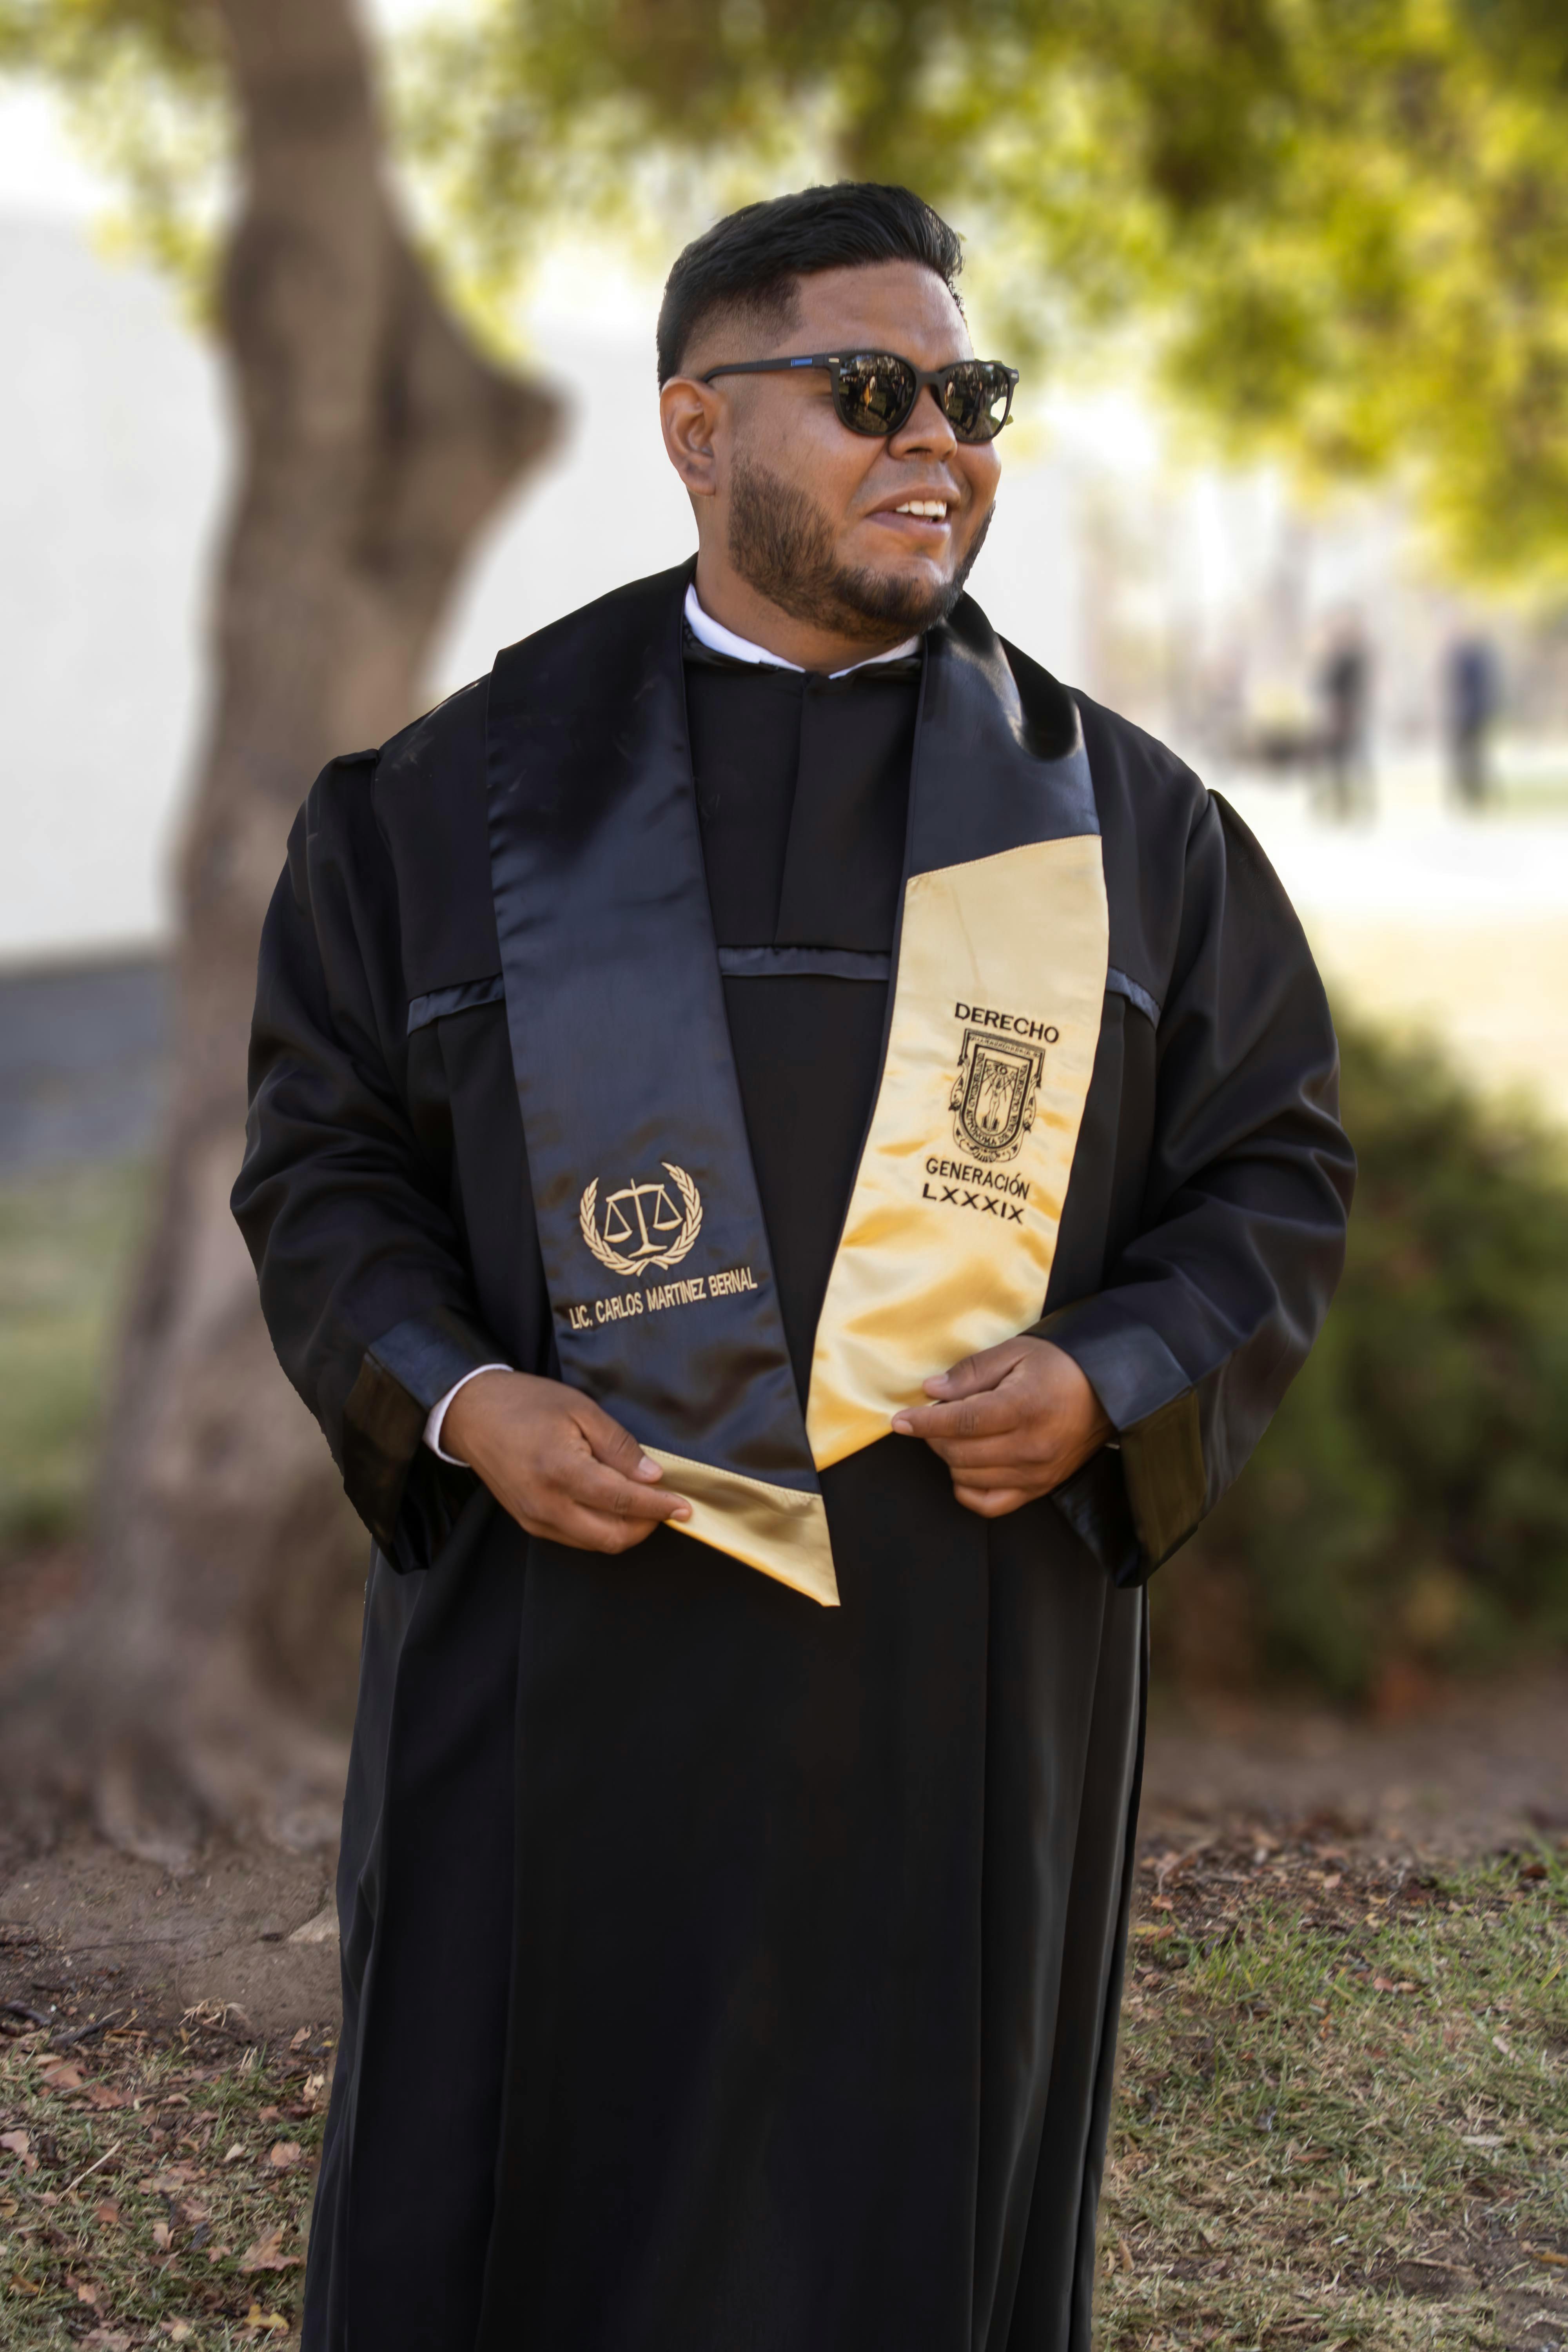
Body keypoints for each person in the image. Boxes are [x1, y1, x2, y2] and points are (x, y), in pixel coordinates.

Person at [234, 182, 1353, 2352]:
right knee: (525, 2198)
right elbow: (322, 1168)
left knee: (899, 2219)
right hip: (559, 1671)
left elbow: (1268, 1169)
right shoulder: (443, 810)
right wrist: (458, 1395)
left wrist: (1117, 1370)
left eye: (968, 397)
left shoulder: (1124, 830)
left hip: (956, 1687)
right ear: (694, 427)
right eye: (866, 391)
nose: (935, 440)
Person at [1316, 613, 1374, 820]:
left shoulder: (1353, 660)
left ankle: (1357, 805)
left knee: (1353, 763)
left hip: (1348, 717)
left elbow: (1356, 690)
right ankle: (1343, 805)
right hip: (1338, 718)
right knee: (1339, 765)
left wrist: (1349, 713)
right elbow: (1325, 687)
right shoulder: (1335, 659)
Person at [1446, 633, 1501, 808]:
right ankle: (1473, 793)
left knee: (1469, 756)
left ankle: (1472, 793)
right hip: (1474, 714)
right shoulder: (1480, 660)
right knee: (1473, 756)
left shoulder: (1469, 660)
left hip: (1469, 714)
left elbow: (1460, 688)